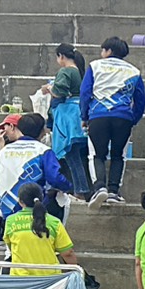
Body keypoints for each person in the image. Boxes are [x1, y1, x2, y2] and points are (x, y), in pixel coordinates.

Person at [0, 113, 70, 243]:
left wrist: (5, 186)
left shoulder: (5, 150)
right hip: (35, 204)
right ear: (42, 132)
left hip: (8, 208)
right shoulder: (43, 150)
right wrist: (70, 187)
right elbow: (54, 178)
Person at [80, 37, 145, 208]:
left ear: (109, 51)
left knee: (96, 154)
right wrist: (133, 119)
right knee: (119, 155)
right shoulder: (134, 71)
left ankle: (99, 187)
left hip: (98, 116)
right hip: (123, 118)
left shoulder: (95, 66)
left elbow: (85, 92)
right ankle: (113, 191)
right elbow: (140, 100)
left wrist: (84, 116)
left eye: (103, 50)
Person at [42, 44, 91, 204]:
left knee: (71, 155)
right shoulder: (80, 72)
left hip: (68, 119)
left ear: (61, 56)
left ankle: (80, 191)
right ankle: (82, 190)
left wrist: (49, 88)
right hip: (78, 116)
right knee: (78, 157)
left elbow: (59, 92)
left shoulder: (66, 71)